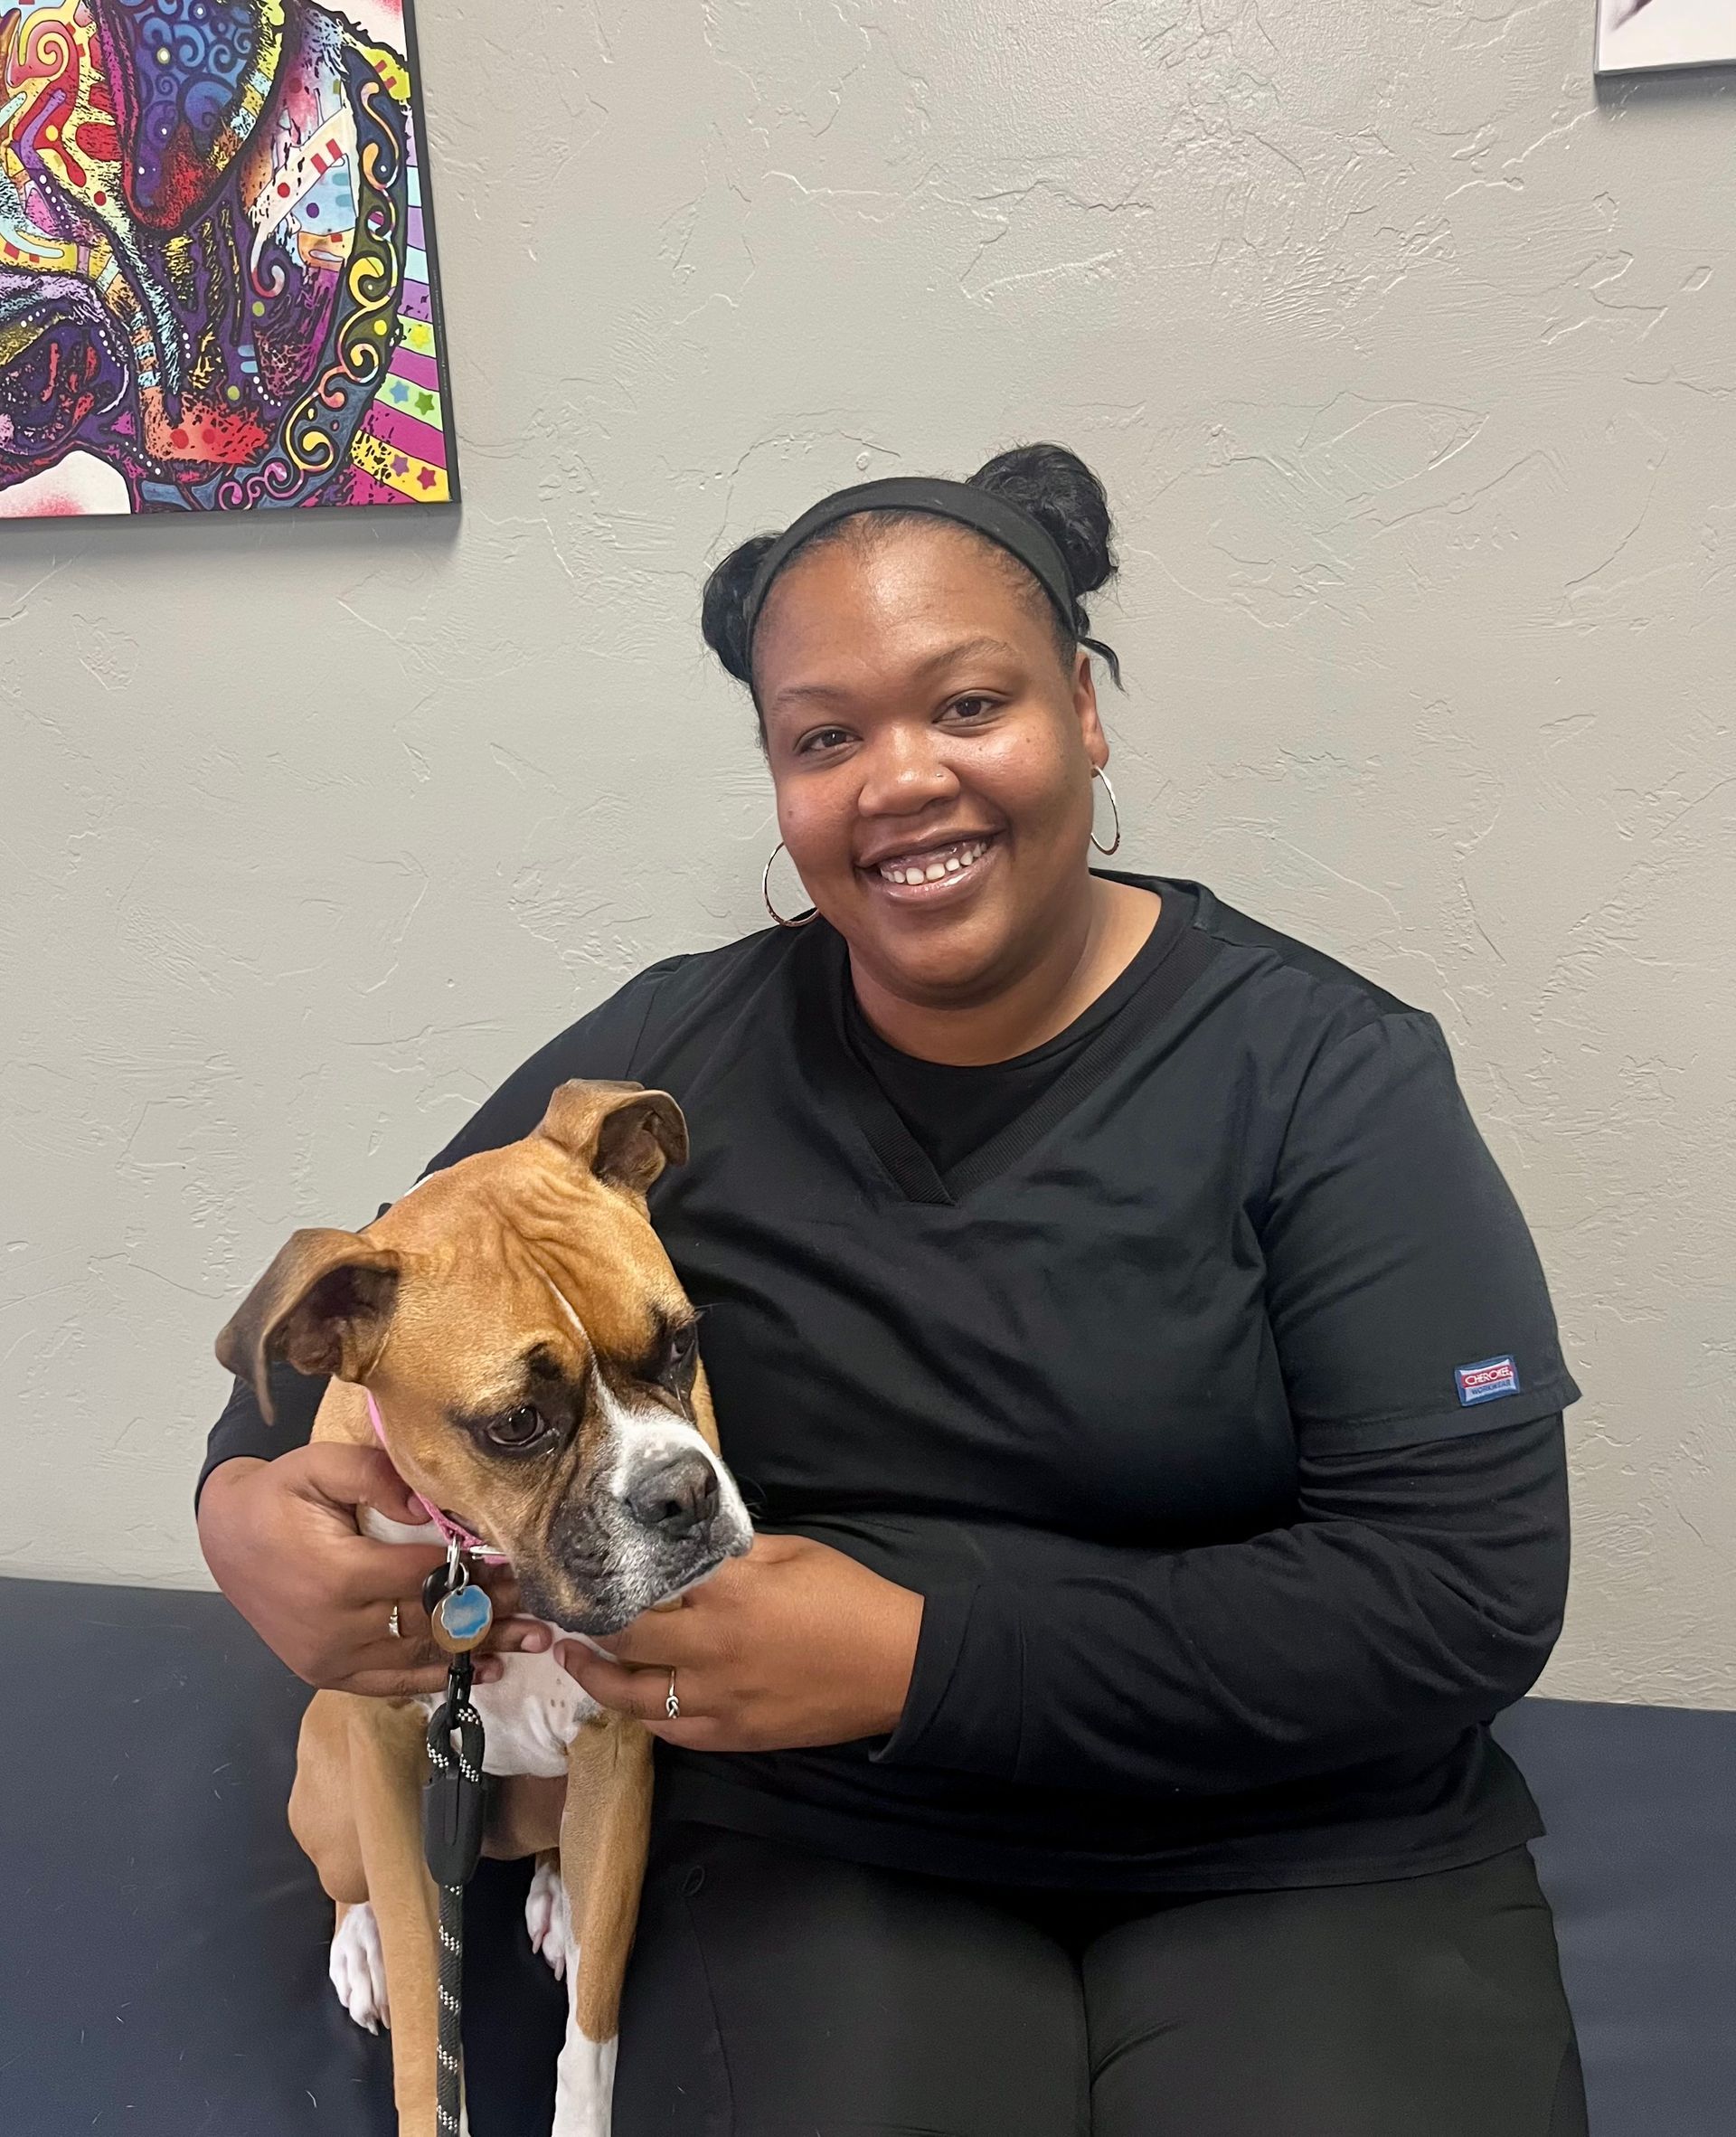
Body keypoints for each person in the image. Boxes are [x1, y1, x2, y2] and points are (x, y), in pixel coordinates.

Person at [197, 443, 1590, 2137]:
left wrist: (922, 1660)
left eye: (970, 705)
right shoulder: (676, 1049)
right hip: (833, 1833)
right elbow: (378, 1306)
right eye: (825, 739)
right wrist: (241, 1512)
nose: (902, 780)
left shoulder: (1327, 1078)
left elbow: (1466, 1593)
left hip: (1302, 1835)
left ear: (1086, 709)